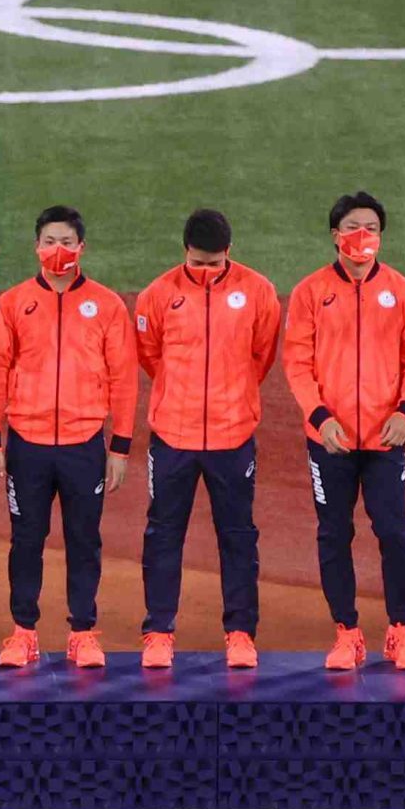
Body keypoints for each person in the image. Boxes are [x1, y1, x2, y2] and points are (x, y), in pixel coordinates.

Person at [0, 206, 136, 668]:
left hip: (85, 444)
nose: (57, 250)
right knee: (26, 538)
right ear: (36, 246)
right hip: (27, 443)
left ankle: (83, 632)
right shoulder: (13, 302)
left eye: (66, 241)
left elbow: (124, 379)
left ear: (81, 247)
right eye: (48, 241)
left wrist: (119, 446)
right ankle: (23, 631)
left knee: (84, 538)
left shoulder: (107, 306)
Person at [283, 190, 405, 671]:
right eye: (353, 227)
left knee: (394, 532)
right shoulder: (310, 293)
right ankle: (347, 633)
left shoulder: (403, 292)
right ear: (335, 236)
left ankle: (400, 631)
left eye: (371, 227)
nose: (363, 236)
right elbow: (296, 363)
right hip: (330, 442)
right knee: (334, 532)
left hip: (385, 439)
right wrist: (320, 418)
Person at [131, 209, 281, 669]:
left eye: (214, 264)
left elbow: (263, 355)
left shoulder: (259, 292)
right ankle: (158, 632)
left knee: (237, 535)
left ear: (229, 254)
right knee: (163, 534)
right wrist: (182, 395)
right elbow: (149, 356)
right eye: (198, 263)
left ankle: (239, 633)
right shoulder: (157, 295)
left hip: (233, 437)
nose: (206, 271)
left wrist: (229, 399)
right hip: (173, 437)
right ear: (184, 253)